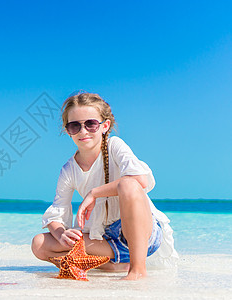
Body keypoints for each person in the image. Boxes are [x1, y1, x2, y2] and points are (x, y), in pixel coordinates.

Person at [31, 91, 178, 280]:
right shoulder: (69, 169)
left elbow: (140, 180)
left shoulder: (114, 145)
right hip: (104, 239)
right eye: (75, 126)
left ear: (104, 126)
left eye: (90, 124)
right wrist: (61, 235)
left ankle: (137, 270)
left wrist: (94, 193)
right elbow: (57, 211)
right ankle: (110, 266)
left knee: (128, 185)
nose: (83, 131)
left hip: (139, 237)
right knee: (39, 243)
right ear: (68, 130)